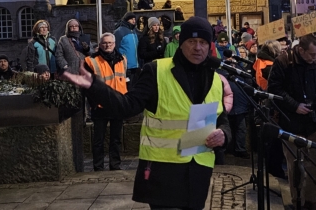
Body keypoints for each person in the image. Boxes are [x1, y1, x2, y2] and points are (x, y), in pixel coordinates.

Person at [60, 17, 231, 209]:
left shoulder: (216, 79)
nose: (197, 47)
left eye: (203, 42)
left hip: (198, 171)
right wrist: (94, 86)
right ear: (180, 44)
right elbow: (127, 106)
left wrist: (223, 134)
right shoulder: (156, 70)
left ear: (210, 46)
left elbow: (222, 119)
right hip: (163, 169)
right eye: (191, 41)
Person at [268, 35, 316, 207]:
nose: (315, 58)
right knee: (295, 166)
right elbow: (274, 90)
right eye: (312, 54)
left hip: (313, 120)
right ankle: (297, 200)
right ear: (300, 50)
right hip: (291, 121)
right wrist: (294, 105)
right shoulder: (284, 62)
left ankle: (311, 200)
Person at [85, 33, 128, 171]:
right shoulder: (91, 61)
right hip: (100, 106)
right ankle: (98, 166)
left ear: (114, 44)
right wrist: (93, 104)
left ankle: (115, 165)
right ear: (100, 45)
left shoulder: (122, 60)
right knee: (99, 140)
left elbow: (124, 81)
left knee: (116, 139)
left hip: (118, 104)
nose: (107, 45)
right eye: (104, 43)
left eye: (110, 43)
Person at [114, 12, 139, 88]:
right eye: (131, 19)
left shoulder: (134, 31)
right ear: (126, 20)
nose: (134, 21)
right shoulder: (119, 32)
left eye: (134, 19)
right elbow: (115, 47)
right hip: (125, 66)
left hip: (135, 65)